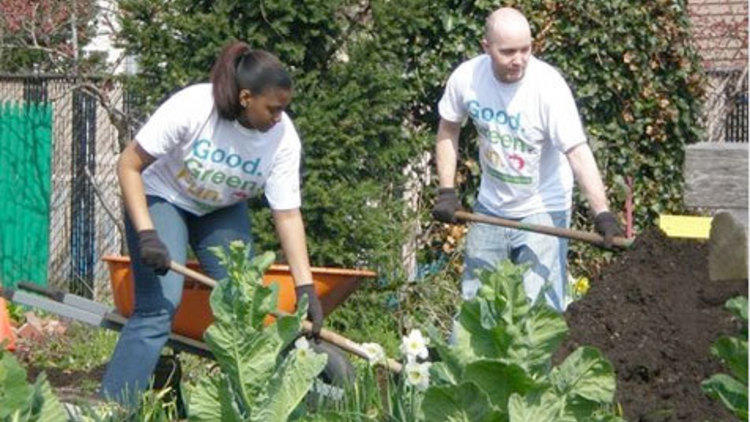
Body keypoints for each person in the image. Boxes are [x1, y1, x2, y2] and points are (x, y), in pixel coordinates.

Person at [101, 40, 323, 403]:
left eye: (285, 109)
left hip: (219, 209)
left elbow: (286, 213)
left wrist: (305, 287)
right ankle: (111, 408)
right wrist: (147, 234)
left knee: (244, 311)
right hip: (163, 197)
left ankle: (247, 407)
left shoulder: (282, 138)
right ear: (246, 97)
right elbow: (128, 164)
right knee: (160, 306)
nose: (280, 117)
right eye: (273, 108)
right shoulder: (194, 107)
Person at [432, 7, 622, 311]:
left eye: (526, 49)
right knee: (478, 307)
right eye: (508, 52)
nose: (519, 60)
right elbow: (448, 127)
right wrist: (446, 191)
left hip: (543, 208)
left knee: (540, 310)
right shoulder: (467, 79)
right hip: (491, 207)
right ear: (486, 47)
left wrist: (602, 213)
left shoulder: (547, 87)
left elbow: (577, 150)